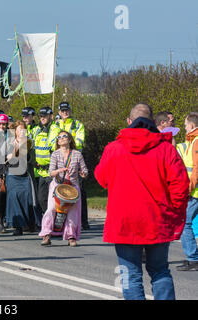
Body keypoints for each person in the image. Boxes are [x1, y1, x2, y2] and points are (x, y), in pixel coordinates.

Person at [94, 103, 189, 300]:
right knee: (160, 270)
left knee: (130, 275)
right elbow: (180, 188)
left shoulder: (114, 148)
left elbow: (101, 178)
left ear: (129, 122)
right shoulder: (166, 149)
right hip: (157, 220)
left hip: (124, 222)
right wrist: (175, 215)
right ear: (153, 122)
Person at [39, 131, 88, 247]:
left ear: (69, 140)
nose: (61, 139)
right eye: (59, 137)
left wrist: (83, 173)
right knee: (51, 209)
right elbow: (51, 172)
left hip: (72, 187)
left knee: (72, 212)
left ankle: (71, 236)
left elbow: (85, 170)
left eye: (64, 136)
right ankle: (46, 234)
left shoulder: (77, 154)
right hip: (57, 187)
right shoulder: (55, 154)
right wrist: (59, 171)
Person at [48, 102, 89, 230]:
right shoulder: (55, 125)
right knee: (57, 196)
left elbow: (80, 141)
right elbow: (51, 141)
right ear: (59, 112)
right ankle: (56, 225)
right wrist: (60, 146)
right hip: (59, 157)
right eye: (62, 111)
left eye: (67, 110)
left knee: (79, 193)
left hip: (74, 158)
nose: (65, 113)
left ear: (70, 111)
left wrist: (68, 145)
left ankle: (83, 222)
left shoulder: (77, 124)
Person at [4, 120, 38, 236]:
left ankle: (29, 224)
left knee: (27, 199)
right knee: (14, 199)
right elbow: (7, 158)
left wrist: (26, 152)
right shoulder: (9, 142)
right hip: (13, 175)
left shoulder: (30, 142)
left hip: (25, 175)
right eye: (19, 129)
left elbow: (32, 159)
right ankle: (17, 227)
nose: (22, 132)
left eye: (23, 129)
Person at [175, 112, 198, 271]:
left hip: (195, 192)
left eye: (185, 125)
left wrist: (189, 188)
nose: (184, 128)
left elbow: (196, 168)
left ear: (191, 125)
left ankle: (193, 259)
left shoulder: (196, 141)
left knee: (185, 223)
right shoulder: (193, 141)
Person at [34, 107, 55, 215]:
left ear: (50, 116)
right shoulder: (38, 129)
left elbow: (53, 145)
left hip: (51, 172)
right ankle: (47, 221)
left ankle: (52, 225)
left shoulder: (54, 129)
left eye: (45, 116)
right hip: (40, 171)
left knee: (51, 201)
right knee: (41, 200)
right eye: (41, 116)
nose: (42, 118)